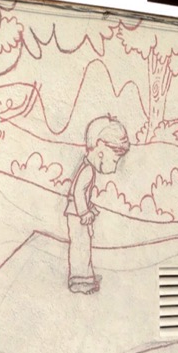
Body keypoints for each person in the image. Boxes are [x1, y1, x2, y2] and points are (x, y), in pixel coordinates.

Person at [66, 115, 127, 294]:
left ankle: (84, 276)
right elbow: (78, 192)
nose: (114, 167)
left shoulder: (87, 168)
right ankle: (80, 280)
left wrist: (89, 208)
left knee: (83, 243)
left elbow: (82, 193)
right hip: (77, 214)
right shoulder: (87, 170)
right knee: (81, 245)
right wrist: (84, 212)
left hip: (77, 213)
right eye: (114, 160)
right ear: (101, 149)